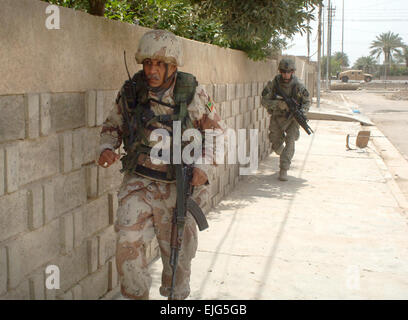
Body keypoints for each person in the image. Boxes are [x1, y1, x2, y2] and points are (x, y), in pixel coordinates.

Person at [97, 29, 225, 300]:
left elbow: (216, 134)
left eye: (158, 64)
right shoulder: (131, 91)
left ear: (172, 66)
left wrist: (204, 166)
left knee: (178, 258)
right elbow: (112, 126)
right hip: (139, 182)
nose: (151, 70)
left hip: (179, 186)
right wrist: (107, 148)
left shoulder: (192, 93)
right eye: (147, 63)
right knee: (127, 245)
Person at [261, 58, 311, 181]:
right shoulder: (274, 83)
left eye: (288, 72)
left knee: (290, 141)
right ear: (280, 71)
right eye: (283, 71)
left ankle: (284, 168)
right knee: (275, 143)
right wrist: (278, 105)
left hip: (293, 119)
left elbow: (307, 102)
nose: (286, 74)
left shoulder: (299, 85)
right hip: (277, 117)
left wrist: (301, 112)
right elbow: (264, 100)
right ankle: (285, 154)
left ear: (293, 72)